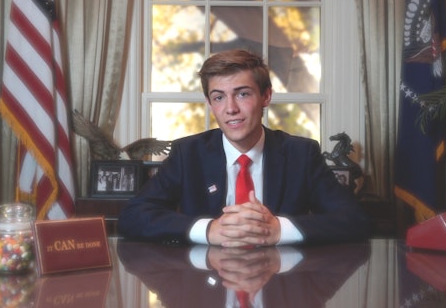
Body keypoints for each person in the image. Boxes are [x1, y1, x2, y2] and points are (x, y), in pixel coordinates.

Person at [118, 49, 369, 246]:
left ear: (266, 96)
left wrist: (279, 230)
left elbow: (354, 219)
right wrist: (209, 230)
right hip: (206, 286)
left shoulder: (300, 154)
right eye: (219, 97)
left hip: (282, 286)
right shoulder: (188, 153)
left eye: (242, 94)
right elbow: (132, 216)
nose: (230, 109)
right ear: (209, 103)